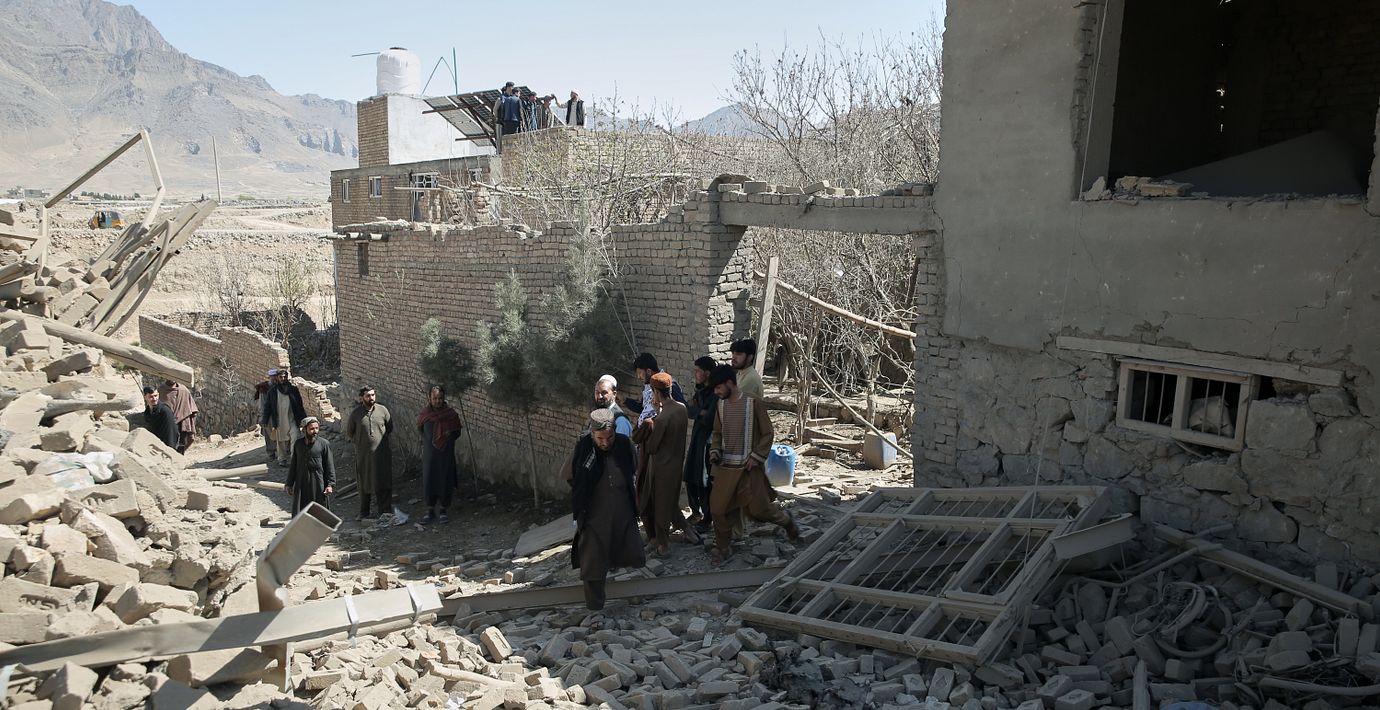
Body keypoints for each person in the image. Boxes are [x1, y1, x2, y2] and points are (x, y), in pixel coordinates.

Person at [707, 365, 798, 564]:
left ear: (729, 383)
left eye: (718, 388)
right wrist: (715, 451)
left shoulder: (753, 402)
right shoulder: (720, 405)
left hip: (749, 469)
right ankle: (723, 547)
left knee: (759, 510)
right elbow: (717, 433)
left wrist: (756, 456)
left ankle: (786, 520)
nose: (716, 392)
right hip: (726, 468)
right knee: (718, 509)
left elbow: (767, 433)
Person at [563, 408, 645, 610]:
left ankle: (636, 595)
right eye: (600, 438)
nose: (605, 443)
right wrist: (583, 490)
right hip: (594, 515)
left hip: (623, 510)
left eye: (609, 437)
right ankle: (595, 607)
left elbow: (635, 468)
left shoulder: (624, 444)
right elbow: (567, 474)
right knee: (593, 561)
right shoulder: (584, 448)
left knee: (631, 550)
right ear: (592, 434)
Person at [632, 373, 700, 557]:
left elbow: (652, 447)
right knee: (669, 502)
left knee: (659, 505)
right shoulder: (681, 409)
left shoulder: (661, 418)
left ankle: (662, 545)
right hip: (676, 465)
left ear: (656, 392)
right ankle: (689, 533)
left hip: (660, 468)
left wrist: (649, 425)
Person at [346, 386, 403, 525]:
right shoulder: (356, 414)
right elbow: (350, 432)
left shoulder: (383, 410)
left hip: (382, 454)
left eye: (372, 395)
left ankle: (384, 510)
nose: (371, 398)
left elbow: (389, 428)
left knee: (383, 480)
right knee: (364, 482)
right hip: (363, 456)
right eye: (367, 396)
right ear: (361, 398)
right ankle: (364, 511)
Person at [416, 385, 463, 524]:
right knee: (429, 480)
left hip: (445, 454)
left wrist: (448, 436)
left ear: (444, 398)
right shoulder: (425, 415)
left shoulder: (451, 415)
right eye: (435, 398)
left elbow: (457, 432)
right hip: (430, 455)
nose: (438, 401)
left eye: (440, 398)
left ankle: (443, 509)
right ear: (430, 398)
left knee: (445, 479)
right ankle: (430, 510)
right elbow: (421, 430)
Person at [683, 356, 718, 530]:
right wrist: (699, 411)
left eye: (698, 371)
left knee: (703, 480)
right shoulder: (701, 391)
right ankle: (696, 512)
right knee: (690, 476)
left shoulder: (715, 394)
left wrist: (699, 411)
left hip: (707, 441)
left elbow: (710, 418)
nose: (695, 374)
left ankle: (707, 518)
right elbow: (689, 409)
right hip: (697, 439)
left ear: (707, 373)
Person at [285, 416, 335, 516]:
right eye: (311, 429)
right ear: (304, 430)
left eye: (317, 428)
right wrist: (289, 483)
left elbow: (329, 465)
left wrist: (330, 484)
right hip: (301, 482)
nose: (315, 431)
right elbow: (294, 465)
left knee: (320, 510)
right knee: (301, 510)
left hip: (318, 482)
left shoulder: (324, 444)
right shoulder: (298, 444)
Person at [262, 369, 307, 467]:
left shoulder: (293, 390)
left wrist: (304, 419)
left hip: (292, 418)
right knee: (281, 441)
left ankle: (294, 459)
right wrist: (265, 419)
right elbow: (267, 406)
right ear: (277, 378)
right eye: (281, 377)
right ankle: (282, 459)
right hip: (280, 420)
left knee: (296, 437)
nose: (283, 379)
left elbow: (299, 405)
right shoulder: (273, 391)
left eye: (285, 377)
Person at [626, 353, 685, 427]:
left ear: (649, 371)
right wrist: (626, 401)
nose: (639, 377)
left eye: (640, 373)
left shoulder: (670, 385)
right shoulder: (647, 386)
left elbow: (679, 413)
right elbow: (643, 408)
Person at [158, 380, 198, 454]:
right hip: (166, 426)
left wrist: (189, 424)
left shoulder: (184, 390)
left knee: (180, 448)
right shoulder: (161, 390)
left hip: (181, 425)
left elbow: (191, 409)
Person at [254, 370, 276, 457]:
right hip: (269, 414)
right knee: (270, 433)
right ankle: (271, 452)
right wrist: (263, 416)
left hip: (279, 413)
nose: (274, 378)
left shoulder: (280, 386)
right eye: (273, 376)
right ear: (270, 377)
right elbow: (262, 404)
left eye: (275, 376)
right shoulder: (264, 389)